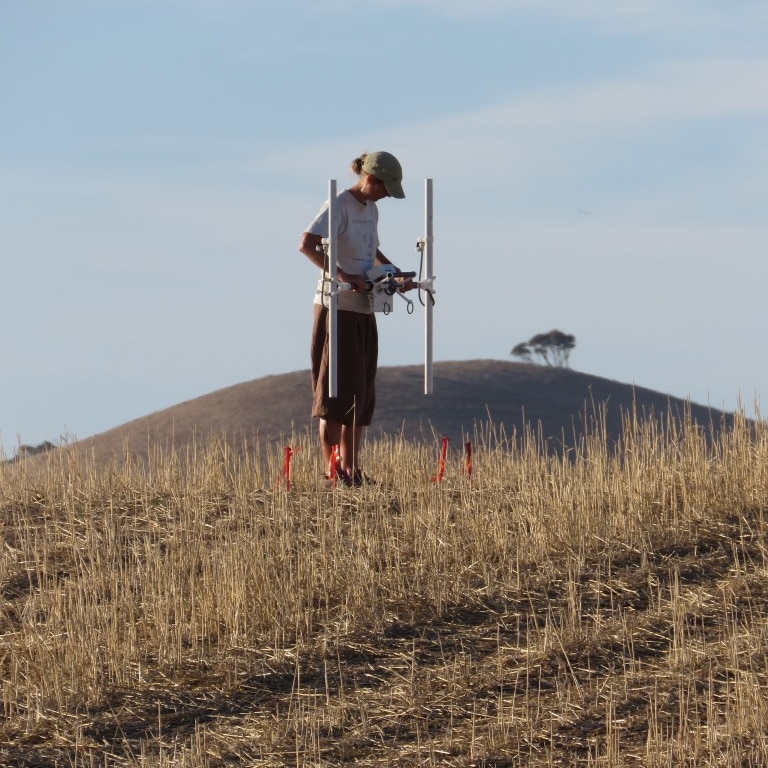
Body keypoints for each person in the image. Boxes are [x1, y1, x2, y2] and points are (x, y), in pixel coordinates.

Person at [298, 151, 412, 487]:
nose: (386, 196)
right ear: (371, 179)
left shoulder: (371, 209)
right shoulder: (339, 204)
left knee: (359, 394)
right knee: (333, 395)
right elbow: (307, 244)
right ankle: (334, 474)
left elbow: (372, 251)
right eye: (385, 188)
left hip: (364, 307)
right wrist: (345, 276)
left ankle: (353, 470)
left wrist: (393, 272)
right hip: (336, 308)